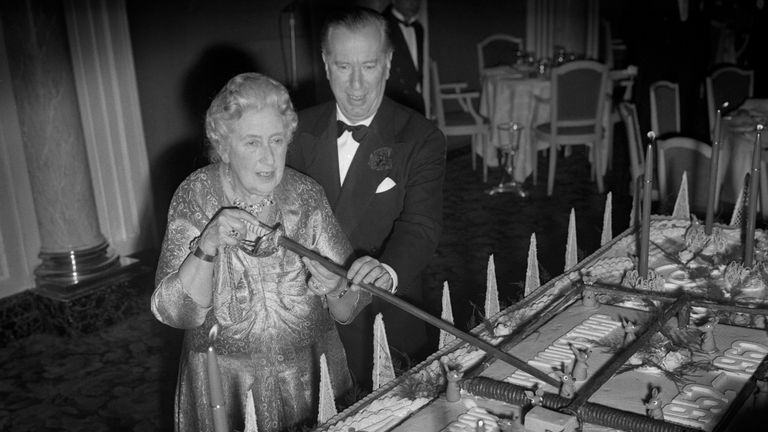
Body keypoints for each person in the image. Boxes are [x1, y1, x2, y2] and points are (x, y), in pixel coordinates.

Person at [151, 73, 392, 431]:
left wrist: (338, 287)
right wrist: (207, 246)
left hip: (311, 377)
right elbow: (175, 312)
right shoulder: (195, 197)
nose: (268, 157)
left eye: (277, 140)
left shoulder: (306, 196)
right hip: (227, 389)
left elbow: (347, 308)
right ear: (222, 144)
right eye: (252, 143)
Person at [287, 7, 445, 392]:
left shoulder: (420, 137)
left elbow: (420, 228)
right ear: (326, 65)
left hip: (384, 315)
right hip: (305, 321)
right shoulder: (291, 131)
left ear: (388, 64)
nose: (356, 84)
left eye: (369, 66)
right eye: (343, 66)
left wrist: (386, 273)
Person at [383, 0, 425, 114]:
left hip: (415, 100)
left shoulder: (418, 28)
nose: (413, 3)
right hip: (391, 101)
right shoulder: (380, 25)